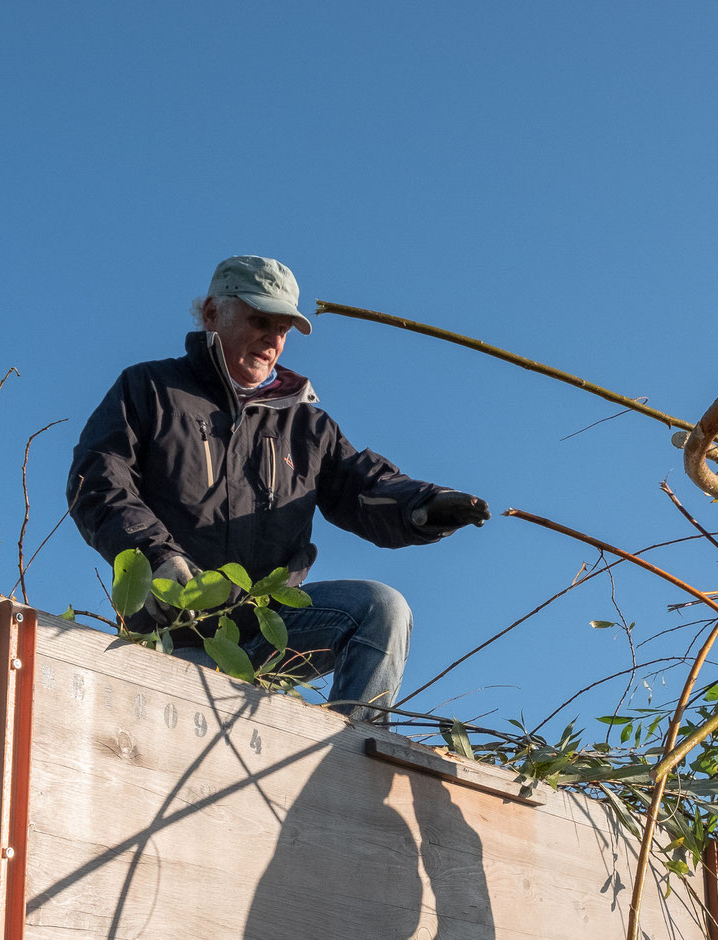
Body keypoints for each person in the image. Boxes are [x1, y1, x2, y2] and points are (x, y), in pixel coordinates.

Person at [68, 255, 488, 724]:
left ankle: (356, 753)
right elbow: (99, 484)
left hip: (272, 629)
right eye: (259, 320)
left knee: (381, 608)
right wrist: (156, 558)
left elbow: (364, 486)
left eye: (283, 328)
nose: (272, 340)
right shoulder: (149, 389)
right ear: (211, 314)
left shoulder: (306, 425)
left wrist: (425, 507)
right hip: (178, 639)